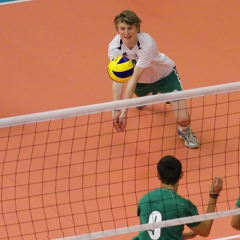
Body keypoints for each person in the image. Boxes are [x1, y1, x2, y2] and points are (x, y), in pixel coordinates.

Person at [108, 10, 199, 149]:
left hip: (165, 76)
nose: (126, 32)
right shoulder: (114, 48)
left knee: (183, 118)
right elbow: (118, 80)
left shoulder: (146, 44)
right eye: (122, 28)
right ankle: (150, 95)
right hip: (142, 83)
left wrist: (124, 111)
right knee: (140, 97)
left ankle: (184, 131)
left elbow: (132, 80)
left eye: (130, 28)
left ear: (137, 28)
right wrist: (115, 109)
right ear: (117, 30)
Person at [132, 155, 223, 240]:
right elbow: (205, 231)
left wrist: (188, 235)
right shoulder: (182, 206)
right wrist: (213, 196)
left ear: (158, 175)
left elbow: (156, 233)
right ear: (181, 175)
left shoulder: (144, 200)